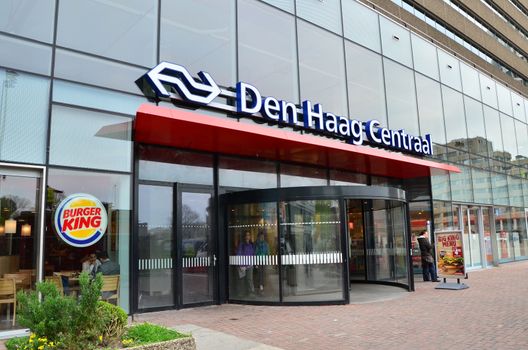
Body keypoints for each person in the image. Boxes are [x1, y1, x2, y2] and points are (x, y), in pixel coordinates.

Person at [236, 231, 255, 296]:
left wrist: (254, 263)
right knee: (242, 280)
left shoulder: (251, 244)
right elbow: (238, 254)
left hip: (250, 265)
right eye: (246, 235)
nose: (247, 236)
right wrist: (240, 265)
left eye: (248, 235)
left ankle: (251, 292)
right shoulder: (242, 244)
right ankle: (241, 293)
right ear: (244, 237)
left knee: (250, 279)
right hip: (242, 265)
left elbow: (253, 254)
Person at [254, 230, 270, 294]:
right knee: (259, 273)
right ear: (258, 237)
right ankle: (260, 285)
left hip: (264, 261)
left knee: (263, 273)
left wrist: (267, 259)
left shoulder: (266, 244)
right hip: (258, 261)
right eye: (260, 237)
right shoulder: (256, 244)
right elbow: (255, 253)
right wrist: (256, 262)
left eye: (263, 237)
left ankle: (262, 285)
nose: (262, 238)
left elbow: (268, 253)